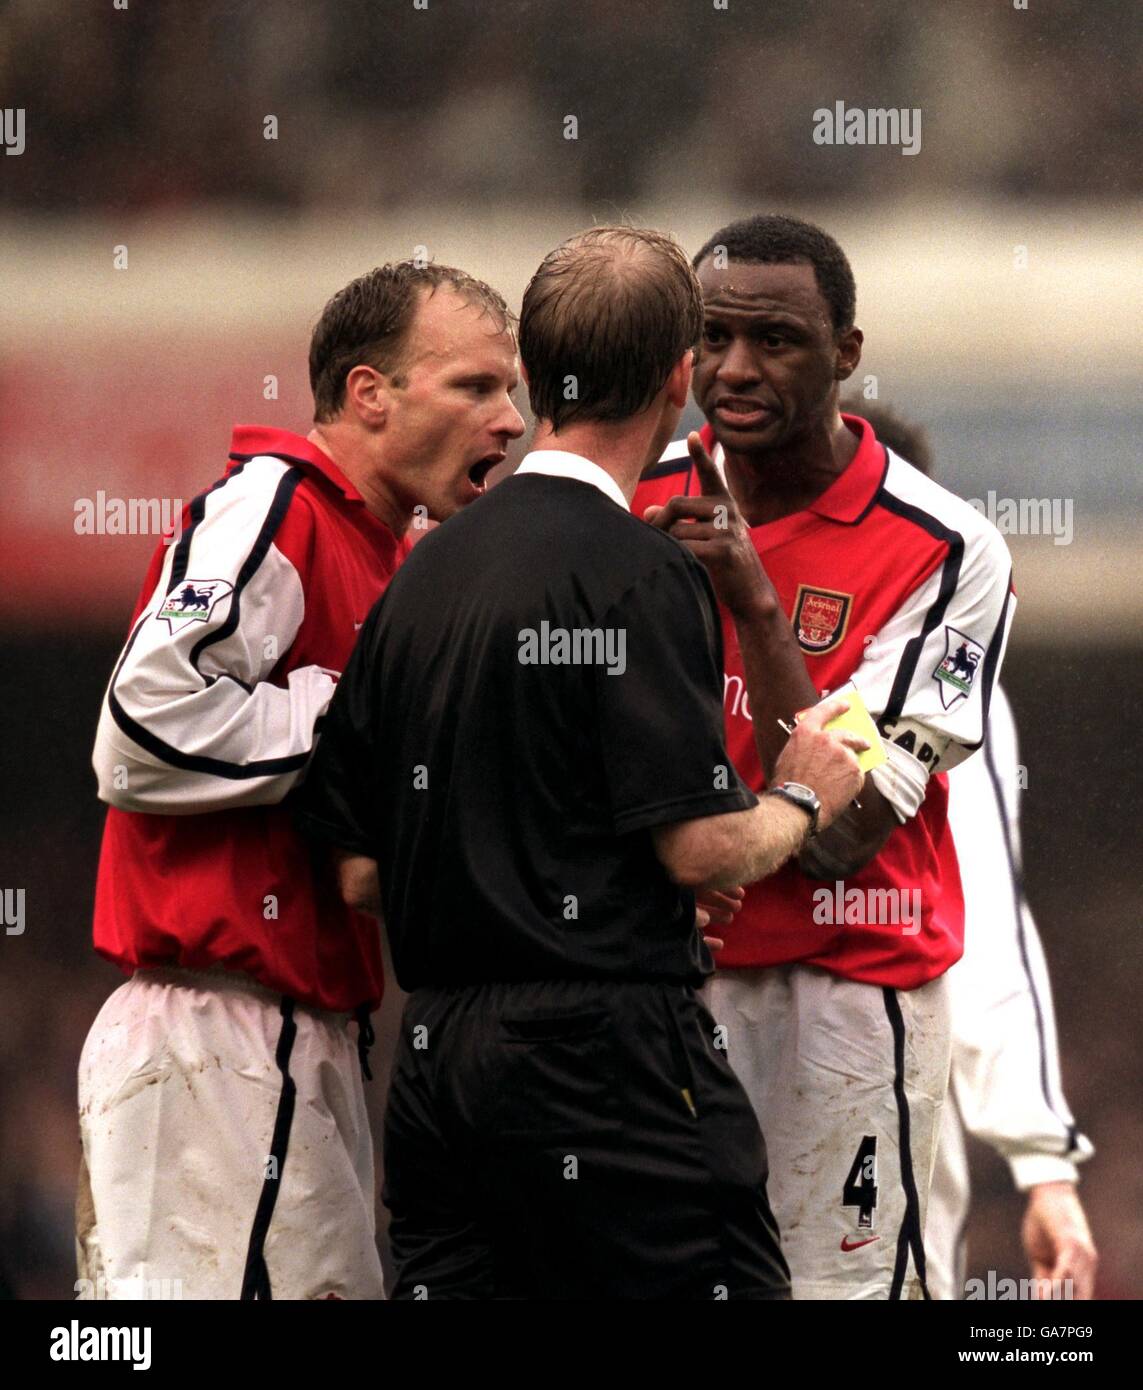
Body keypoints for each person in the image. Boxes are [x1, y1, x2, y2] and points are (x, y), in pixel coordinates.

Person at [295, 226, 867, 1300]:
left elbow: (362, 870)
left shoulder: (415, 574)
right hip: (609, 1059)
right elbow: (701, 846)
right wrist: (803, 791)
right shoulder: (640, 570)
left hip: (434, 1067)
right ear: (678, 378)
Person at [79, 261, 524, 1300]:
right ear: (371, 393)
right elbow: (139, 726)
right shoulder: (277, 503)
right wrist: (351, 704)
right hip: (216, 1032)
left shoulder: (390, 554)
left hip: (291, 1031)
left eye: (512, 392)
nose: (509, 419)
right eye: (475, 387)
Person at [633, 214, 1015, 1299]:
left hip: (844, 995)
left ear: (846, 354)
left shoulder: (948, 551)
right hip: (660, 988)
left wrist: (753, 600)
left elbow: (850, 831)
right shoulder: (636, 496)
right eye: (712, 337)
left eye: (777, 340)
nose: (736, 369)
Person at [840, 399, 1097, 1301]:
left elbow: (977, 915)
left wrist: (1040, 1157)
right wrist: (1043, 1167)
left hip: (838, 1086)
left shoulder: (952, 673)